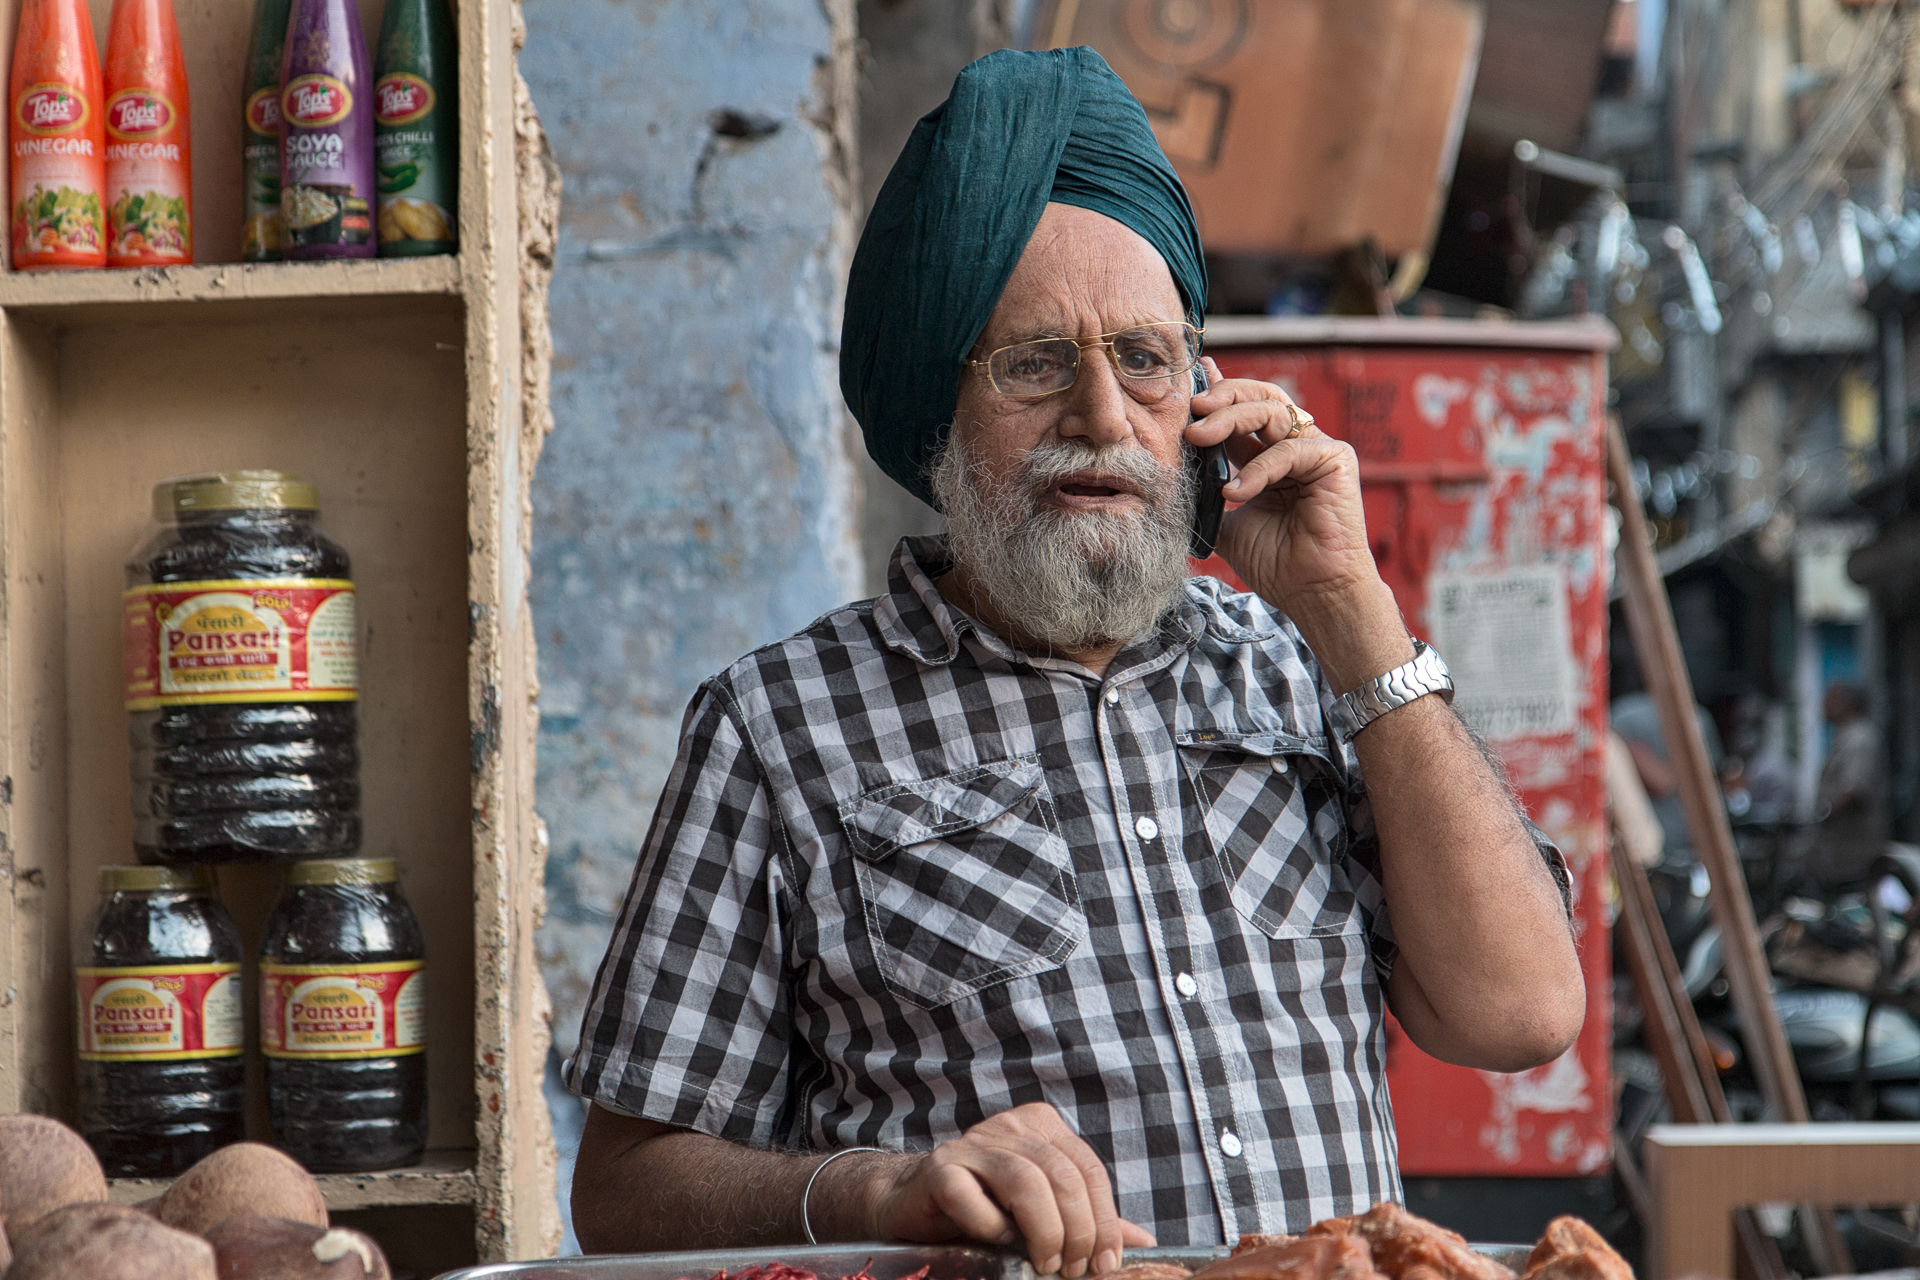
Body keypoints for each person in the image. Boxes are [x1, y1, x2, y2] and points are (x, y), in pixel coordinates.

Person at [563, 47, 1584, 1272]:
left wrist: (1350, 603)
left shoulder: (1308, 668)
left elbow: (1520, 1014)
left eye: (1145, 361)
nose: (1104, 416)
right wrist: (882, 1187)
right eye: (1036, 364)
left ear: (1201, 394)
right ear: (939, 412)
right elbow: (623, 1190)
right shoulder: (777, 726)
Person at [1814, 682, 1887, 889]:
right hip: (1838, 854)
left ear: (1848, 703)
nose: (1824, 704)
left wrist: (1824, 814)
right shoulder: (1844, 736)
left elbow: (1853, 790)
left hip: (1854, 854)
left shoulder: (1860, 738)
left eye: (1831, 698)